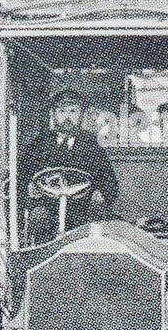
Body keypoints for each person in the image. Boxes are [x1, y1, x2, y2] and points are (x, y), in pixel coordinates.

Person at [18, 88, 119, 243]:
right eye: (62, 111)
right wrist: (29, 188)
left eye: (73, 111)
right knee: (38, 216)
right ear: (53, 115)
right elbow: (21, 176)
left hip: (82, 209)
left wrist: (100, 193)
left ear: (81, 116)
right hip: (47, 206)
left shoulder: (92, 146)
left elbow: (110, 181)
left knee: (97, 213)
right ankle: (39, 251)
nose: (67, 117)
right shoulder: (38, 145)